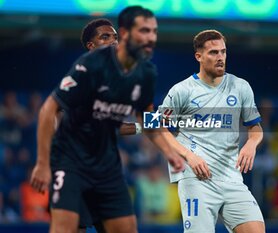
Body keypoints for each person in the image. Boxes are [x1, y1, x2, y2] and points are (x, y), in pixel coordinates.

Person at [30, 6, 186, 233]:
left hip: (107, 167)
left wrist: (170, 151)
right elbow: (47, 110)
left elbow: (147, 120)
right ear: (127, 33)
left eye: (153, 32)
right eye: (144, 31)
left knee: (127, 229)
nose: (150, 37)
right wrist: (43, 164)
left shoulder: (146, 73)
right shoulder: (88, 66)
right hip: (71, 163)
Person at [159, 29, 265, 233]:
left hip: (231, 177)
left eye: (223, 52)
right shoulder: (182, 90)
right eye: (213, 53)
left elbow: (255, 126)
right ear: (198, 56)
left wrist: (251, 144)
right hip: (196, 178)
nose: (220, 58)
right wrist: (190, 157)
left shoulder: (240, 87)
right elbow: (159, 127)